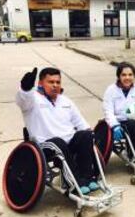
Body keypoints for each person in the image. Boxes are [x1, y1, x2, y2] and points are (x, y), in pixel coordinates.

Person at [16, 67, 100, 195]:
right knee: (58, 143)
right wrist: (25, 88)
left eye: (57, 82)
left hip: (68, 142)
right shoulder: (32, 99)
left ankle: (87, 178)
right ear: (40, 83)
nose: (55, 85)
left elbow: (80, 122)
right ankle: (73, 182)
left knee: (86, 136)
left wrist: (90, 134)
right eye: (51, 82)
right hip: (45, 145)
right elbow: (22, 100)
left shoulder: (65, 101)